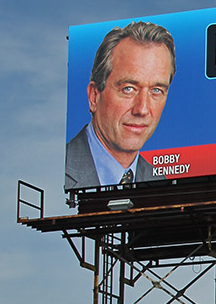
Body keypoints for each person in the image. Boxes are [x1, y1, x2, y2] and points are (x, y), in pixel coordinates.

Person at [65, 21, 176, 190]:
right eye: (128, 89)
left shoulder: (161, 183)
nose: (142, 109)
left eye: (156, 90)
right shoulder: (58, 168)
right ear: (94, 96)